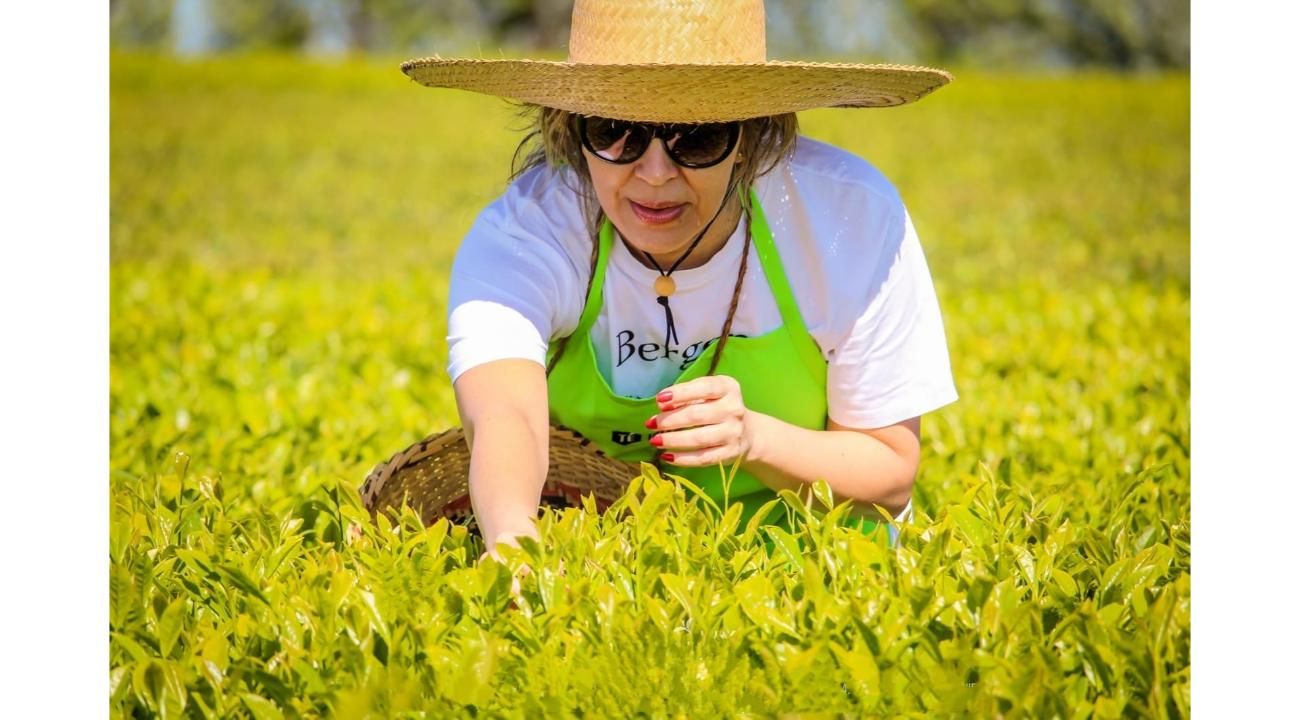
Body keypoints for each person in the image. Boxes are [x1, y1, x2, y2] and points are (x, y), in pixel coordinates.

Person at [400, 0, 959, 562]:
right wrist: (516, 549)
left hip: (816, 565)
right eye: (616, 131)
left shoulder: (848, 216)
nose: (655, 173)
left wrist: (756, 440)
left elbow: (889, 472)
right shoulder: (530, 228)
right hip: (604, 560)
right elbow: (505, 413)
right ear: (572, 129)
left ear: (750, 136)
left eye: (696, 136)